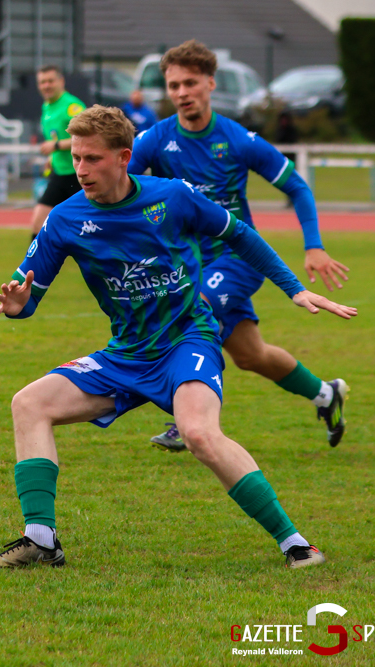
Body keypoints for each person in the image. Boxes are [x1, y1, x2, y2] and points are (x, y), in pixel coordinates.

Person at [0, 105, 357, 571]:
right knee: (28, 404)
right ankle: (41, 540)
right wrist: (18, 305)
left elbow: (240, 235)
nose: (80, 169)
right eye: (76, 158)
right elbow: (26, 293)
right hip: (126, 355)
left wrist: (294, 290)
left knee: (197, 433)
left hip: (186, 343)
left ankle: (296, 543)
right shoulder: (64, 219)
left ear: (124, 157)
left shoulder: (173, 197)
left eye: (92, 159)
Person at [127, 40, 352, 451]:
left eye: (190, 83)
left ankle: (185, 417)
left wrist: (314, 245)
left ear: (210, 83)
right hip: (188, 262)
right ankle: (326, 393)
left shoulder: (238, 139)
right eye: (173, 85)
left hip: (237, 257)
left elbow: (297, 187)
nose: (181, 93)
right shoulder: (155, 140)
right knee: (251, 356)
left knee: (194, 309)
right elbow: (120, 188)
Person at [29, 65, 85, 239]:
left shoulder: (72, 107)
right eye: (42, 82)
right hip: (60, 175)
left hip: (80, 175)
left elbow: (85, 137)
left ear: (61, 81)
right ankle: (35, 266)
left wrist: (55, 146)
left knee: (89, 229)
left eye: (50, 81)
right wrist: (52, 158)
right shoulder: (47, 107)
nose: (46, 85)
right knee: (37, 224)